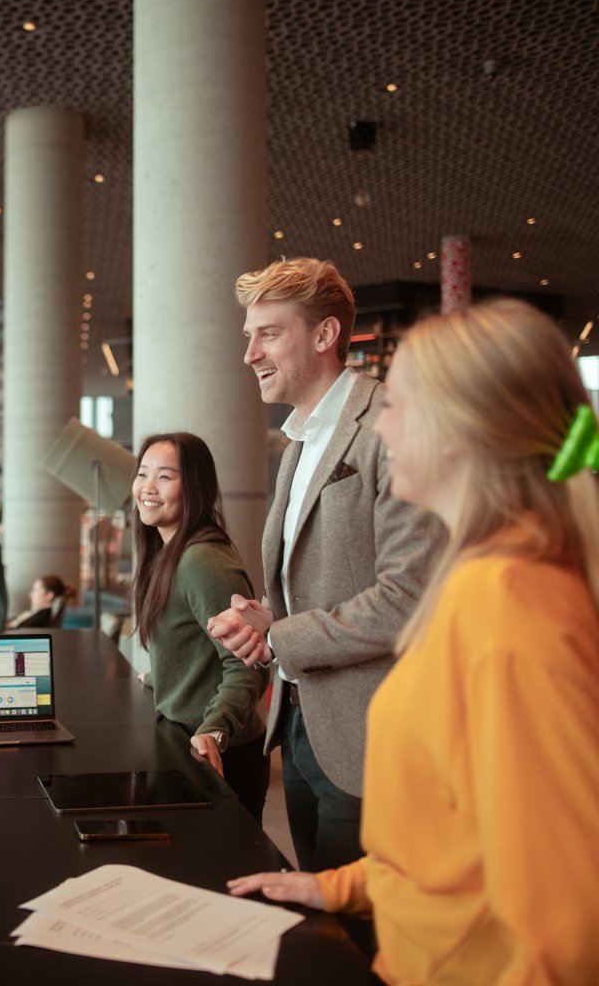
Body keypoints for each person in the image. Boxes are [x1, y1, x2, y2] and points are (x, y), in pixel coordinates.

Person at [228, 298, 599, 984]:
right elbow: (464, 835)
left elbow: (573, 928)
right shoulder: (480, 584)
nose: (381, 424)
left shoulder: (511, 609)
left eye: (396, 403)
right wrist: (337, 889)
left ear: (460, 431)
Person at [207, 258, 444, 876]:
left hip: (375, 738)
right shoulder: (299, 440)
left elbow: (408, 596)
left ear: (324, 335)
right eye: (248, 335)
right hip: (300, 727)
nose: (250, 353)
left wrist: (282, 637)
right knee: (323, 925)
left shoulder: (391, 423)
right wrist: (268, 619)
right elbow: (332, 579)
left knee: (360, 946)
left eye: (268, 333)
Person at [131, 433, 269, 821]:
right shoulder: (168, 552)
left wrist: (215, 730)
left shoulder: (202, 561)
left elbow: (248, 664)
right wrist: (165, 676)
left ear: (195, 488)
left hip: (221, 755)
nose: (148, 488)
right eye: (143, 474)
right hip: (186, 741)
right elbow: (197, 647)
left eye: (165, 477)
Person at [8, 574, 76, 628]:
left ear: (49, 595)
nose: (30, 594)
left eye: (35, 590)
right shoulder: (37, 615)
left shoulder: (38, 620)